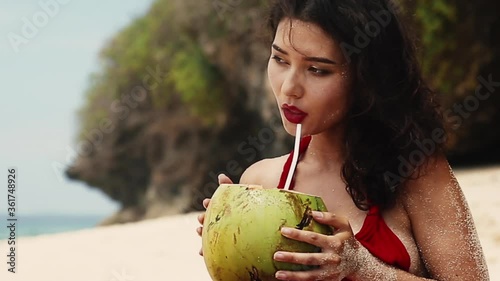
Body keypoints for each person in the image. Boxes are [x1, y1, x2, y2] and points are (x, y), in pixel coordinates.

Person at [197, 0, 490, 280]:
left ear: (365, 78)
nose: (289, 88)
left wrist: (363, 268)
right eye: (280, 59)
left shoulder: (415, 173)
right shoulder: (261, 182)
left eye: (317, 69)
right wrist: (227, 248)